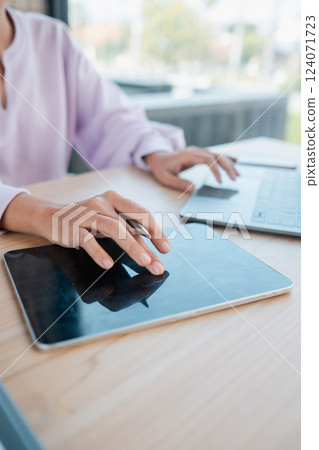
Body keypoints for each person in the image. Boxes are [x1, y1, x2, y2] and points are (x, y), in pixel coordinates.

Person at [0, 4, 238, 276]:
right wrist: (39, 213)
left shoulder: (51, 38)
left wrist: (153, 152)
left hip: (48, 251)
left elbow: (108, 116)